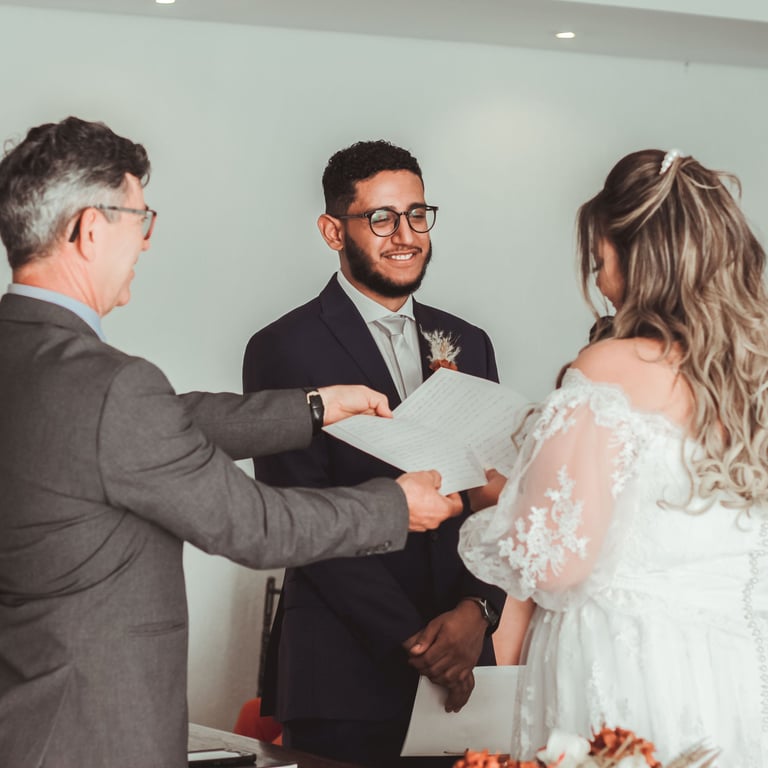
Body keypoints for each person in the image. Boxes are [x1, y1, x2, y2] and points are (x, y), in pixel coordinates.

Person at [0, 117, 463, 768]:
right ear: (90, 230)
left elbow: (160, 419)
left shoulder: (30, 359)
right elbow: (253, 525)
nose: (146, 242)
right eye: (140, 219)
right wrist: (396, 506)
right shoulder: (112, 387)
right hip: (95, 731)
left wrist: (312, 407)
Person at [459, 148, 768, 765]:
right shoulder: (751, 376)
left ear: (637, 257)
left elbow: (557, 564)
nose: (599, 280)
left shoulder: (608, 368)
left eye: (599, 258)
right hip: (733, 665)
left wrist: (495, 495)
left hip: (627, 657)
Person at [243, 140, 528, 768]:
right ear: (332, 231)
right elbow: (301, 516)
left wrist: (477, 611)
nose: (406, 235)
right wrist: (419, 644)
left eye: (417, 214)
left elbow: (494, 498)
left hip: (465, 666)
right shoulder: (283, 347)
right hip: (343, 670)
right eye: (381, 218)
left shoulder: (470, 342)